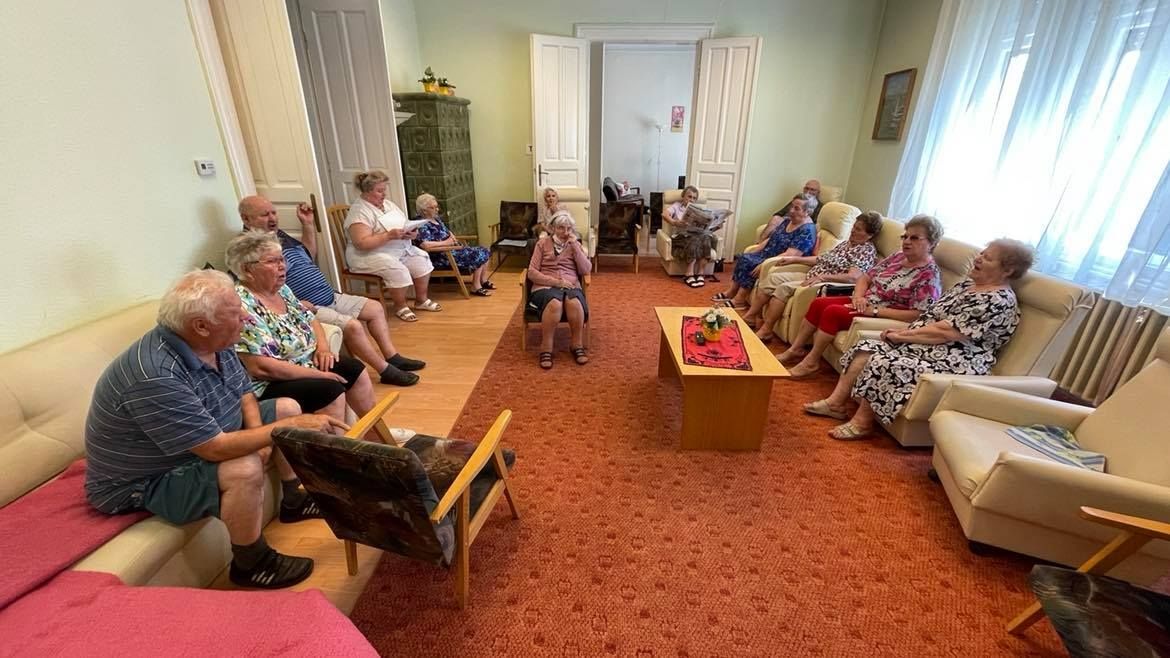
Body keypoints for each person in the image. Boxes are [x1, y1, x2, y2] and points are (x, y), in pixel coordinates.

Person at [84, 270, 346, 589]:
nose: (245, 317)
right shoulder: (155, 375)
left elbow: (244, 393)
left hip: (206, 435)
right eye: (236, 313)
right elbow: (214, 449)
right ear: (201, 325)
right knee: (244, 467)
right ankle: (252, 564)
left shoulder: (214, 341)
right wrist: (284, 429)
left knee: (287, 406)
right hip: (145, 481)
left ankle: (293, 500)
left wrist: (264, 437)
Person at [805, 239, 1034, 440]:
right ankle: (835, 404)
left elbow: (946, 332)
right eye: (982, 253)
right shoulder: (967, 285)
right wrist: (904, 334)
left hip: (956, 358)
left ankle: (862, 423)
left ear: (1007, 270)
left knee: (885, 361)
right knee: (866, 347)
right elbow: (932, 317)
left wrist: (902, 335)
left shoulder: (997, 300)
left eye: (988, 258)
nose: (979, 258)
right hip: (927, 346)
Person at [237, 195, 425, 385]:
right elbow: (258, 289)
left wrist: (308, 225)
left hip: (329, 295)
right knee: (353, 326)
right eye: (264, 215)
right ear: (246, 218)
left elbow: (308, 255)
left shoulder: (279, 236)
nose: (272, 218)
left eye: (273, 213)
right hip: (309, 305)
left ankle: (392, 357)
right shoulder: (248, 251)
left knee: (375, 308)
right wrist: (296, 304)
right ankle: (385, 370)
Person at [226, 232, 389, 437]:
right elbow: (261, 367)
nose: (282, 266)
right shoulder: (242, 305)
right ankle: (338, 448)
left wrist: (323, 348)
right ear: (246, 270)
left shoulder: (282, 290)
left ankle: (377, 438)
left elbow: (310, 318)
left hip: (305, 363)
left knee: (355, 370)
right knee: (329, 389)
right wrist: (319, 374)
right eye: (272, 261)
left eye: (282, 259)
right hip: (271, 382)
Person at [777, 215, 945, 378]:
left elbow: (919, 314)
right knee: (819, 303)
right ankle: (795, 349)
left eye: (914, 238)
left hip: (883, 312)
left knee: (833, 312)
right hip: (865, 301)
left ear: (932, 243)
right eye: (905, 236)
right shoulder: (897, 257)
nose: (907, 241)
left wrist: (876, 311)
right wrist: (858, 297)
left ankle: (811, 362)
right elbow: (865, 278)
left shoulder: (929, 275)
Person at [744, 212, 883, 341]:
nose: (853, 230)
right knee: (773, 278)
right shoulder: (846, 244)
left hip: (821, 283)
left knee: (783, 288)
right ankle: (750, 316)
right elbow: (821, 259)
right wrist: (795, 259)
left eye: (858, 229)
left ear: (869, 235)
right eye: (854, 226)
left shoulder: (865, 251)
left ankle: (766, 330)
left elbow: (853, 277)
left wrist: (823, 277)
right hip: (811, 274)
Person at [344, 170, 439, 323]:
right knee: (397, 269)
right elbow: (361, 243)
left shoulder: (388, 205)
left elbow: (404, 223)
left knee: (421, 259)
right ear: (367, 192)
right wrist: (388, 236)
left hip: (397, 250)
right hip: (367, 255)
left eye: (384, 190)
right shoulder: (359, 211)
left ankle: (421, 300)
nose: (384, 194)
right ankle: (400, 306)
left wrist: (411, 233)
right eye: (379, 191)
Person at [713, 197, 817, 307]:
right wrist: (756, 249)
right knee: (744, 257)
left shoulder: (807, 231)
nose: (791, 210)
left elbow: (790, 255)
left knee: (751, 263)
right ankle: (731, 292)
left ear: (807, 212)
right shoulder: (787, 221)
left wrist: (765, 263)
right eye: (791, 206)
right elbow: (772, 238)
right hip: (767, 254)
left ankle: (739, 300)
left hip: (779, 260)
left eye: (796, 208)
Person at [527, 211, 592, 370]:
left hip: (570, 285)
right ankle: (546, 347)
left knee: (574, 302)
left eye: (569, 228)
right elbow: (532, 272)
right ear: (553, 228)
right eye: (561, 228)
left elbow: (586, 270)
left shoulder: (574, 245)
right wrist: (556, 282)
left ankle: (577, 345)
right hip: (545, 286)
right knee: (554, 303)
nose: (566, 232)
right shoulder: (542, 244)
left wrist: (575, 246)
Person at [412, 193, 494, 296]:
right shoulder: (421, 224)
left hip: (452, 250)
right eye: (433, 208)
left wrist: (451, 236)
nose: (437, 209)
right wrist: (446, 242)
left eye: (437, 206)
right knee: (478, 254)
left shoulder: (435, 219)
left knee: (485, 249)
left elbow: (446, 232)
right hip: (442, 255)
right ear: (424, 210)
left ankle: (483, 280)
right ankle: (476, 286)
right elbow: (425, 245)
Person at [661, 185, 715, 288]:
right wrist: (674, 222)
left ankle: (700, 273)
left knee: (706, 237)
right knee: (694, 238)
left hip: (696, 235)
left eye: (694, 198)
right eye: (689, 196)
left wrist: (715, 226)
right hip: (680, 237)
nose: (691, 200)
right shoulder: (676, 206)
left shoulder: (699, 210)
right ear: (683, 196)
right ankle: (689, 273)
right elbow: (664, 214)